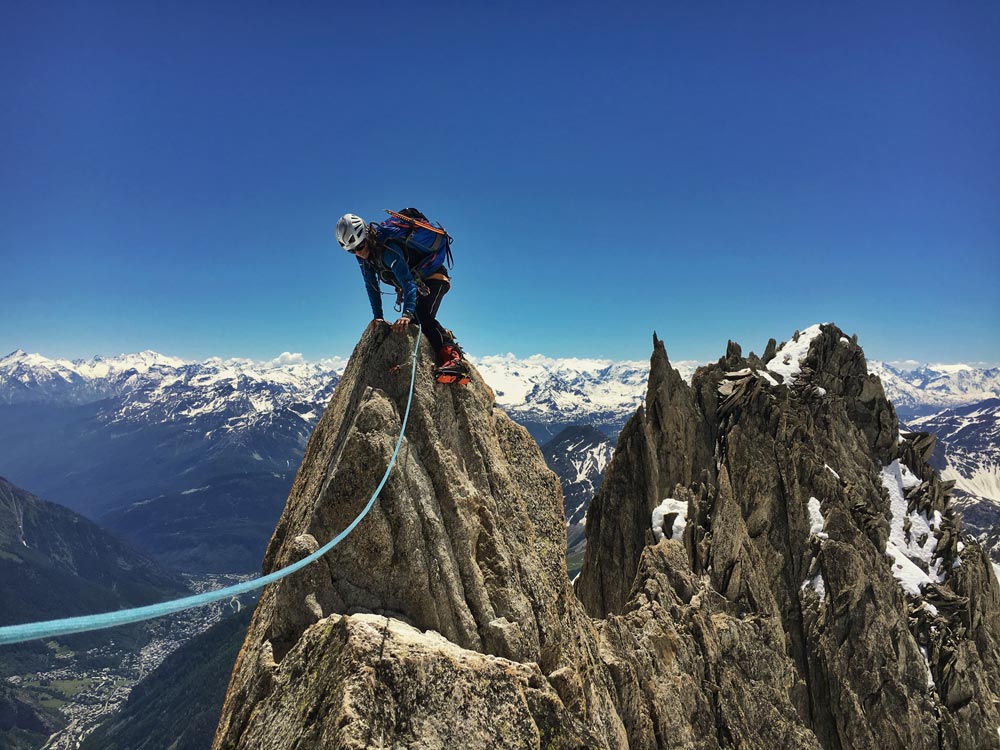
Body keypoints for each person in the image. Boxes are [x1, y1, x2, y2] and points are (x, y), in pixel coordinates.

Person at [335, 212, 470, 385]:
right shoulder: (365, 259)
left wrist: (406, 314)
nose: (358, 253)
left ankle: (455, 360)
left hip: (434, 278)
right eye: (351, 251)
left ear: (367, 237)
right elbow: (371, 286)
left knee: (422, 316)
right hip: (419, 282)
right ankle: (444, 340)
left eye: (359, 246)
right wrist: (378, 316)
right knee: (416, 322)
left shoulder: (387, 250)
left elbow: (407, 282)